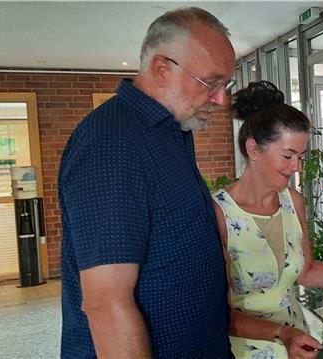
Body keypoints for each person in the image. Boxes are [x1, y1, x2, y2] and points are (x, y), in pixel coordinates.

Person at [58, 7, 235, 358]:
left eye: (225, 85)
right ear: (162, 69)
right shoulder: (113, 143)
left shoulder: (168, 132)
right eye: (211, 83)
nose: (221, 98)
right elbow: (107, 303)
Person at [214, 81, 323, 359]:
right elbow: (216, 314)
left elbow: (306, 270)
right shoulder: (218, 212)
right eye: (287, 155)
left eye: (300, 157)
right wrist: (282, 334)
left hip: (300, 345)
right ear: (253, 149)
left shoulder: (291, 200)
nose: (296, 167)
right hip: (247, 351)